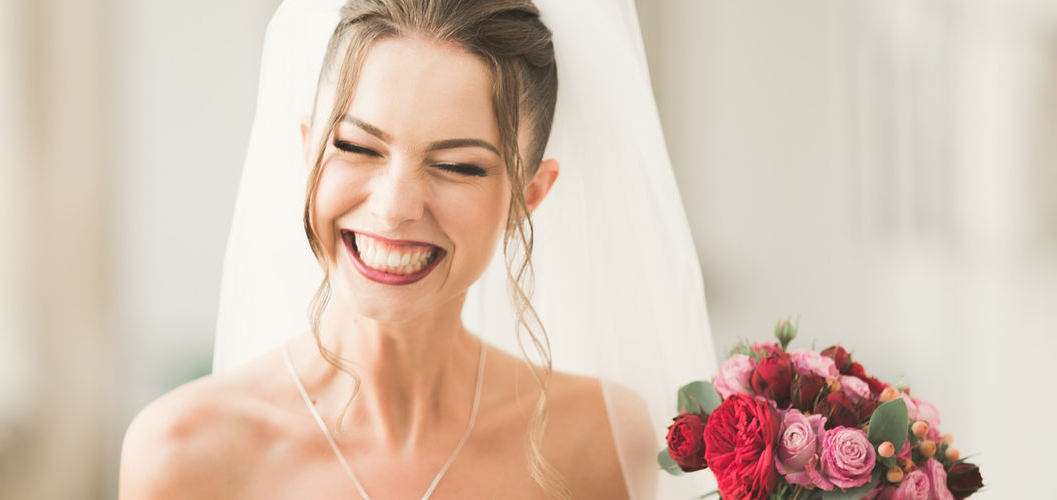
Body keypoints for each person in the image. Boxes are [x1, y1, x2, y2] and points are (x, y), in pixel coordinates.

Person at [121, 0, 718, 498]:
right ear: (308, 151)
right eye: (357, 147)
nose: (394, 206)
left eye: (457, 165)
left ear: (529, 197)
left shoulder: (601, 438)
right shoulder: (182, 453)